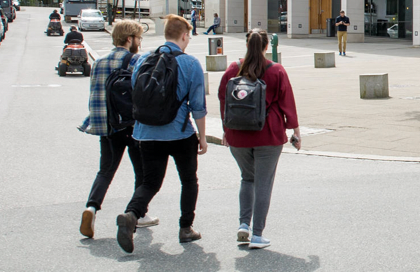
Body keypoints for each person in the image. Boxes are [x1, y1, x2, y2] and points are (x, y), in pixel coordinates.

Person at [118, 14, 208, 253]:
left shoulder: (143, 59)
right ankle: (186, 228)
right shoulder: (190, 64)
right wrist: (202, 136)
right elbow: (198, 106)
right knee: (188, 180)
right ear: (184, 35)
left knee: (150, 182)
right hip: (179, 133)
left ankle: (131, 214)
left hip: (146, 132)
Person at [78, 20, 160, 238]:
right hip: (132, 125)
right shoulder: (136, 61)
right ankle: (138, 214)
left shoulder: (99, 62)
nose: (140, 43)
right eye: (139, 38)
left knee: (105, 171)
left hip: (107, 126)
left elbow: (95, 97)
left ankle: (91, 208)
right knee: (141, 171)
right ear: (129, 39)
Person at [218, 30, 298, 249]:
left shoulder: (234, 69)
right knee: (264, 183)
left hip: (237, 134)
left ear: (246, 44)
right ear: (267, 46)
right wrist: (295, 132)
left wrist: (226, 129)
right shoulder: (276, 70)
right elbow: (287, 102)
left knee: (247, 178)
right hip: (268, 134)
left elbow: (223, 98)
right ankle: (257, 235)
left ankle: (243, 224)